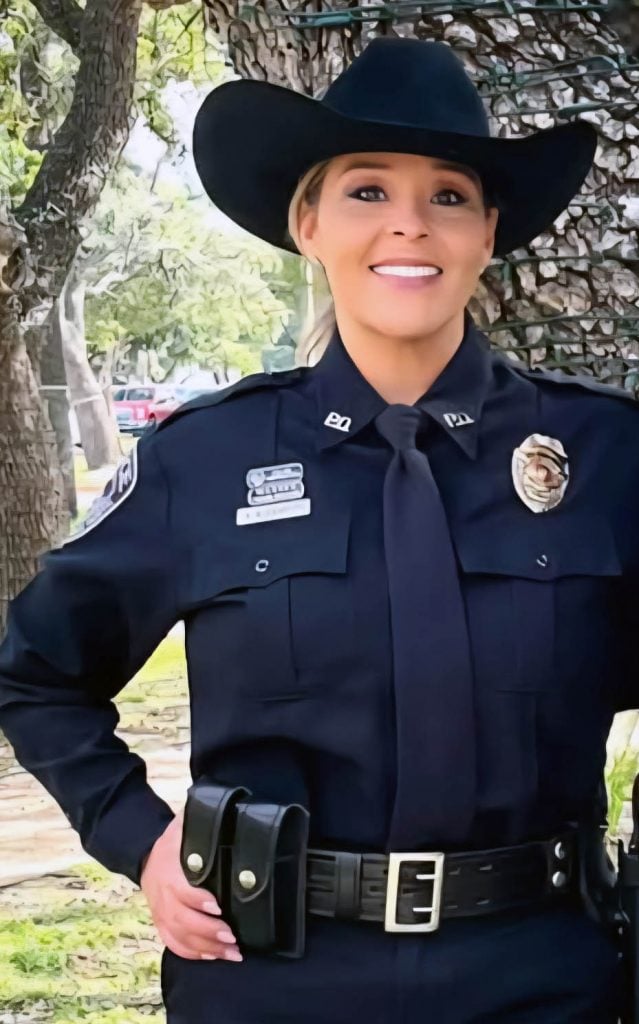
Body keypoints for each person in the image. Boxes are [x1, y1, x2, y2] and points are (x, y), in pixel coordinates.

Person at [0, 35, 634, 1024]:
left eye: (449, 196)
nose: (409, 224)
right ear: (309, 224)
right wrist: (140, 839)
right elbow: (34, 673)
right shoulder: (206, 458)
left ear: (487, 232)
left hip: (544, 973)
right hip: (272, 975)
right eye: (367, 190)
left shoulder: (605, 453)